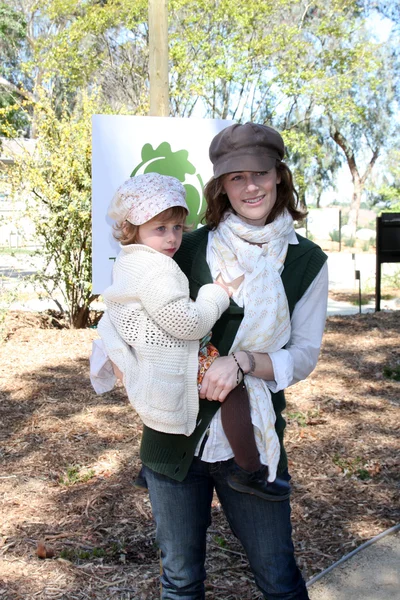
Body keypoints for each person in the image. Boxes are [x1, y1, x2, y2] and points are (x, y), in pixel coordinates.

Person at [137, 123, 329, 599]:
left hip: (252, 443)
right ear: (220, 185)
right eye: (236, 177)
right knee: (180, 582)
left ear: (279, 177)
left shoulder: (307, 261)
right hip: (174, 436)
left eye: (260, 173)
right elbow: (135, 312)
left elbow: (302, 356)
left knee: (278, 579)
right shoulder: (186, 247)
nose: (250, 187)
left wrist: (242, 362)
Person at [96, 172, 290, 502]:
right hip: (171, 351)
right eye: (160, 229)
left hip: (151, 350)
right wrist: (217, 294)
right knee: (232, 387)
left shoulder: (132, 260)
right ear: (133, 229)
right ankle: (250, 468)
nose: (172, 238)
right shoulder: (156, 269)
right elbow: (187, 324)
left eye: (176, 227)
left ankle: (154, 467)